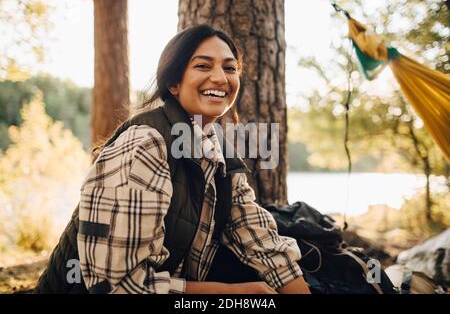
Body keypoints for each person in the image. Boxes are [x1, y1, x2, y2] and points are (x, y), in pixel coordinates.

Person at [35, 25, 310, 294]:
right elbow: (118, 286)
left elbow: (257, 237)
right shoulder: (145, 144)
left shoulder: (218, 150)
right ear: (173, 84)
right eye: (203, 66)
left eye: (229, 68)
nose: (220, 78)